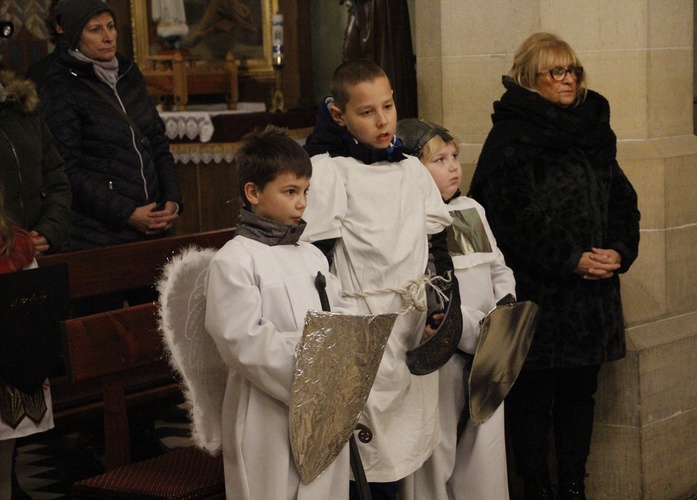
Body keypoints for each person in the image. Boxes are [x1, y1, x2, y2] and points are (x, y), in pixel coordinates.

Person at [469, 32, 641, 500]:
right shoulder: (511, 136)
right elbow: (507, 215)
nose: (568, 80)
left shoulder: (591, 128)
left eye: (573, 71)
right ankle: (537, 489)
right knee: (532, 398)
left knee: (578, 395)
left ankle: (572, 487)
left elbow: (622, 198)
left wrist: (619, 250)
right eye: (556, 72)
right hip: (540, 293)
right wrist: (570, 258)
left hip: (591, 298)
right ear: (529, 78)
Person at [302, 60, 453, 499]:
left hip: (411, 325)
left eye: (387, 106)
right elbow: (317, 263)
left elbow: (438, 247)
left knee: (405, 449)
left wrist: (442, 306)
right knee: (365, 459)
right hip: (364, 325)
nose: (383, 119)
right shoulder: (330, 171)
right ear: (338, 115)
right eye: (367, 111)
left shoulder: (410, 170)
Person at [203, 125, 357, 499]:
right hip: (266, 410)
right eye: (290, 192)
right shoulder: (234, 260)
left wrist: (344, 359)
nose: (302, 203)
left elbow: (340, 315)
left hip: (324, 406)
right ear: (252, 192)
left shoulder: (312, 254)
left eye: (305, 191)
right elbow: (241, 341)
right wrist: (314, 371)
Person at [396, 118, 516, 500]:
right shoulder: (411, 220)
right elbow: (428, 288)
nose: (453, 167)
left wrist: (502, 314)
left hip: (488, 350)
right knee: (437, 447)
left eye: (454, 157)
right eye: (439, 160)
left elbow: (498, 268)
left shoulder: (470, 210)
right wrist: (468, 333)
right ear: (412, 168)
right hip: (443, 353)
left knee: (485, 450)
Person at [40, 0, 182, 253]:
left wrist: (172, 200)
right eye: (95, 29)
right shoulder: (61, 85)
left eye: (111, 26)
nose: (108, 37)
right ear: (74, 34)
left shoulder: (128, 73)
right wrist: (127, 213)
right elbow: (67, 169)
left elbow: (157, 143)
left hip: (155, 227)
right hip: (98, 235)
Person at [0, 186, 55, 500]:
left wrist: (36, 360)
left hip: (8, 374)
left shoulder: (15, 244)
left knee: (2, 474)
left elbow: (33, 315)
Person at [0, 68, 71, 256]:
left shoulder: (20, 106)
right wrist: (9, 242)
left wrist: (48, 231)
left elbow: (56, 182)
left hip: (36, 253)